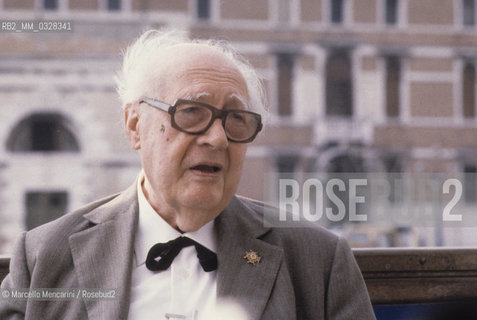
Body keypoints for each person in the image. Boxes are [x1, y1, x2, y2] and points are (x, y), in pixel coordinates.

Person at [0, 29, 375, 319]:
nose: (217, 138)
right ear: (135, 126)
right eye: (192, 113)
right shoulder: (44, 255)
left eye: (236, 119)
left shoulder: (318, 259)